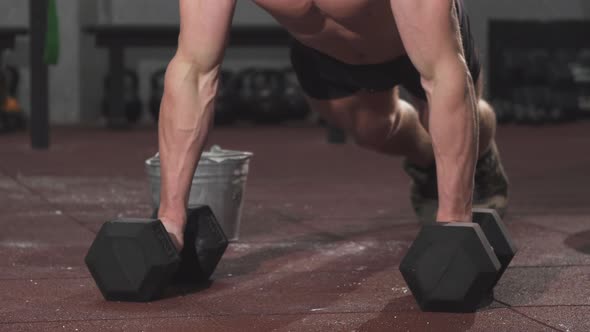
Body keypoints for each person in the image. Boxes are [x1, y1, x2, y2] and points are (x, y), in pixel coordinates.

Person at [157, 0, 509, 249]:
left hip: (422, 38)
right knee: (372, 131)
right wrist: (170, 219)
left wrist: (453, 225)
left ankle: (481, 152)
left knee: (451, 121)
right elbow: (194, 70)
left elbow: (442, 71)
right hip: (325, 53)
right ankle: (426, 161)